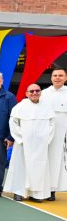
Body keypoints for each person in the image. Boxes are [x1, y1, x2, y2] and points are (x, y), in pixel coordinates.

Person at [5, 84, 55, 202]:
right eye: (31, 91)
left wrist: (46, 139)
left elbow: (52, 124)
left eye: (37, 90)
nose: (34, 93)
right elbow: (13, 123)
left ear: (40, 92)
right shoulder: (19, 107)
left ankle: (36, 194)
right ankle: (19, 192)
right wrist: (21, 138)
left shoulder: (47, 107)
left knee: (39, 168)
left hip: (41, 145)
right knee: (21, 167)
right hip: (23, 144)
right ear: (27, 93)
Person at [41, 67, 67, 201]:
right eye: (55, 75)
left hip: (61, 136)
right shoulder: (43, 93)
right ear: (51, 78)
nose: (57, 78)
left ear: (65, 78)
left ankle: (51, 190)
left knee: (56, 162)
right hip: (44, 133)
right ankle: (39, 189)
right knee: (42, 160)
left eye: (60, 75)